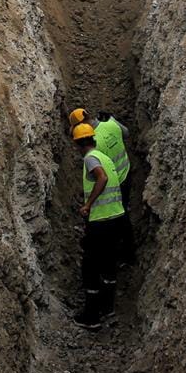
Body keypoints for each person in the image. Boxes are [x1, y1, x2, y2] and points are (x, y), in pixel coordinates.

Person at [71, 121, 125, 328]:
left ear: (78, 143)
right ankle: (108, 310)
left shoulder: (91, 159)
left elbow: (101, 178)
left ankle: (92, 317)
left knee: (91, 267)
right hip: (116, 217)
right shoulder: (105, 156)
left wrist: (88, 205)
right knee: (109, 265)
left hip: (101, 221)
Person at [70, 107, 134, 266]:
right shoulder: (111, 123)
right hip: (126, 173)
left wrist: (88, 204)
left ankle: (123, 256)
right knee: (123, 215)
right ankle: (126, 252)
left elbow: (101, 175)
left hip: (115, 184)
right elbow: (126, 133)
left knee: (119, 219)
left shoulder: (93, 147)